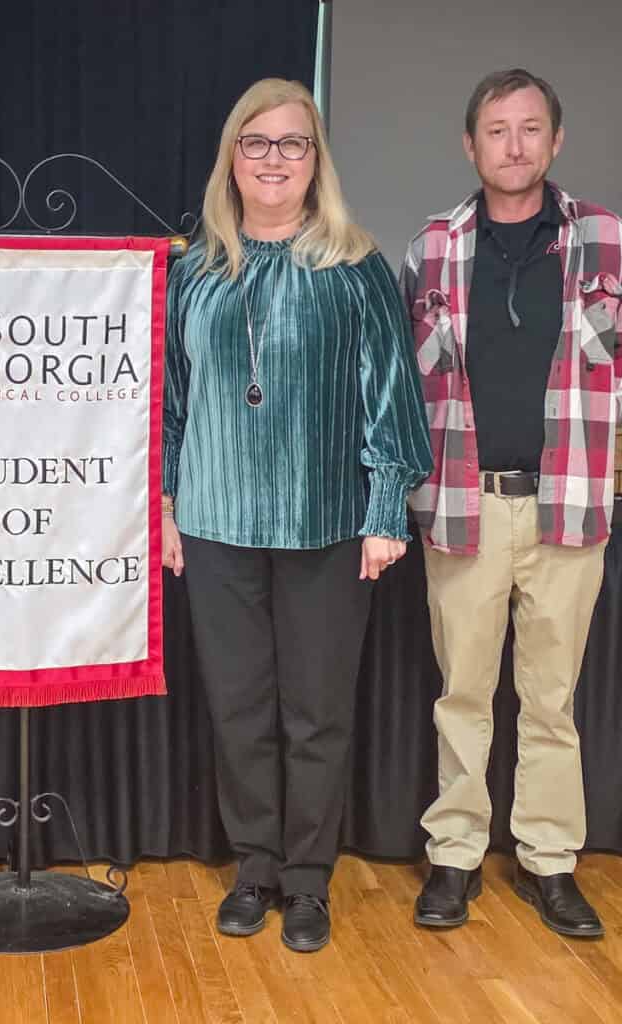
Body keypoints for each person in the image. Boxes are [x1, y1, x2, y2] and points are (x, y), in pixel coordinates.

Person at [162, 78, 431, 952]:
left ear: (317, 163)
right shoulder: (191, 270)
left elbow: (391, 397)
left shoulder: (354, 267)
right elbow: (172, 404)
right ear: (231, 159)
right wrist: (167, 506)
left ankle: (309, 880)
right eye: (257, 143)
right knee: (238, 705)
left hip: (328, 523)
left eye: (293, 144)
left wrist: (386, 507)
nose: (273, 160)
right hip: (213, 520)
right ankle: (255, 866)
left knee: (316, 709)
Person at [404, 69, 622, 938]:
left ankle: (549, 861)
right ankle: (454, 855)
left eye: (532, 129)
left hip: (568, 504)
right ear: (471, 145)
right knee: (462, 691)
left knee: (551, 697)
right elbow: (406, 388)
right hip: (464, 504)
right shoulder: (431, 246)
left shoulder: (605, 239)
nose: (515, 145)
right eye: (497, 130)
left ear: (556, 140)